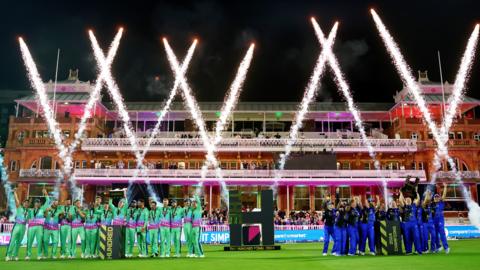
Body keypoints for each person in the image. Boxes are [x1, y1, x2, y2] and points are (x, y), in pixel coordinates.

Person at [26, 188, 50, 260]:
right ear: (34, 203)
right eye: (36, 202)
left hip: (40, 227)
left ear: (40, 203)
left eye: (38, 202)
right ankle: (28, 255)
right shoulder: (30, 210)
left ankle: (39, 255)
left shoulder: (42, 209)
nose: (37, 203)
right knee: (29, 241)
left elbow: (48, 200)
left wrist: (45, 193)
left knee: (39, 241)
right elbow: (27, 219)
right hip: (31, 227)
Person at [5, 189, 29, 261]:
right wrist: (15, 192)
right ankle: (8, 255)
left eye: (27, 203)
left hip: (23, 227)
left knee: (18, 242)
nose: (26, 204)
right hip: (17, 226)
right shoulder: (19, 208)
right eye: (25, 203)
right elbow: (17, 200)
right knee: (12, 241)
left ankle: (15, 255)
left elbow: (30, 219)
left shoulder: (29, 211)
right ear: (23, 203)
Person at [399, 188, 422, 255]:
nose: (408, 200)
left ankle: (418, 250)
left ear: (411, 201)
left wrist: (417, 193)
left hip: (414, 223)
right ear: (405, 201)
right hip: (406, 223)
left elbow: (418, 199)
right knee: (407, 237)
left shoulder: (414, 205)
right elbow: (400, 200)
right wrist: (401, 193)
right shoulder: (404, 206)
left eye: (409, 199)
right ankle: (408, 251)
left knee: (417, 236)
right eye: (406, 199)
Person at [433, 183, 449, 254]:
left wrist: (445, 187)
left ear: (439, 198)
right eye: (435, 197)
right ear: (434, 199)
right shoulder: (431, 204)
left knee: (442, 233)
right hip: (433, 220)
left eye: (437, 197)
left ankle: (446, 247)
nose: (436, 198)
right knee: (435, 234)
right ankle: (439, 247)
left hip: (440, 220)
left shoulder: (441, 203)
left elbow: (444, 196)